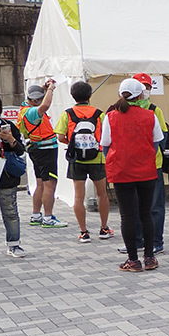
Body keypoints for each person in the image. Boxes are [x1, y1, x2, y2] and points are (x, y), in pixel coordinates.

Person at [101, 79, 163, 272]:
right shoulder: (150, 115)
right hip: (146, 170)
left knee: (127, 215)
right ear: (141, 95)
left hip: (121, 171)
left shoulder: (110, 117)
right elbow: (156, 143)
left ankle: (133, 260)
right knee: (146, 213)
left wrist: (115, 159)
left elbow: (105, 145)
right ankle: (150, 257)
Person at [54, 81, 113, 242]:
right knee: (102, 194)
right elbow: (106, 137)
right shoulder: (99, 114)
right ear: (90, 95)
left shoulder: (67, 114)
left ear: (73, 96)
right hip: (97, 158)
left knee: (78, 197)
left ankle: (84, 232)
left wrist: (72, 145)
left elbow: (60, 137)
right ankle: (104, 228)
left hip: (76, 159)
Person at [124, 73, 168, 255]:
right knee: (133, 206)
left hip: (152, 165)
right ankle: (137, 240)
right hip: (131, 166)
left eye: (148, 87)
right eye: (142, 87)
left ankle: (156, 241)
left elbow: (162, 137)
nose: (145, 90)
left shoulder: (155, 110)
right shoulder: (121, 111)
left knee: (155, 206)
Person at [19, 81, 68, 228]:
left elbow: (38, 98)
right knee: (49, 183)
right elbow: (45, 105)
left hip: (36, 149)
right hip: (45, 150)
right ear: (35, 101)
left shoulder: (25, 107)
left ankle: (36, 215)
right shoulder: (33, 112)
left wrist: (44, 89)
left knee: (40, 183)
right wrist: (51, 90)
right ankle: (48, 217)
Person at [0, 96, 27, 258]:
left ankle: (14, 244)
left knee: (10, 212)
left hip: (6, 177)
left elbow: (21, 150)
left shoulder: (7, 126)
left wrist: (10, 139)